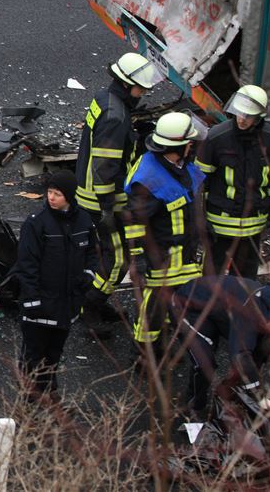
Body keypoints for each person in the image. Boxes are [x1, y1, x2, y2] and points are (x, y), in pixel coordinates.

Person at [76, 52, 162, 336]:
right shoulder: (116, 116)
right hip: (102, 199)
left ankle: (96, 302)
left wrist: (133, 136)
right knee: (118, 260)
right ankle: (91, 307)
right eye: (141, 88)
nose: (143, 93)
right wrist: (109, 208)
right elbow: (105, 166)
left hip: (89, 190)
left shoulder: (104, 99)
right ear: (126, 84)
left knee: (107, 255)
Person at [123, 111, 207, 359]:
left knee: (178, 304)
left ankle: (165, 346)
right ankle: (144, 356)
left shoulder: (180, 166)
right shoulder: (148, 180)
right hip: (161, 257)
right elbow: (134, 222)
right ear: (177, 146)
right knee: (153, 311)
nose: (192, 146)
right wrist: (138, 259)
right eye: (189, 142)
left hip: (184, 254)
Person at [11, 170, 97, 402]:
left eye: (57, 194)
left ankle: (48, 391)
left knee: (54, 352)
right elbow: (27, 264)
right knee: (33, 354)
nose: (51, 197)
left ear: (69, 195)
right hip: (40, 305)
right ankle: (30, 398)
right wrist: (32, 300)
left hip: (66, 305)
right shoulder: (36, 223)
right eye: (49, 192)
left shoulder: (84, 221)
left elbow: (92, 253)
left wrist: (88, 276)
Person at [169, 275, 270, 417]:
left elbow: (257, 355)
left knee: (255, 351)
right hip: (186, 306)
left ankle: (229, 391)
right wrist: (258, 394)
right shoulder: (250, 314)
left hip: (216, 308)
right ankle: (193, 406)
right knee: (204, 363)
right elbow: (241, 355)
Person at [194, 85, 270, 279]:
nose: (242, 119)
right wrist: (200, 218)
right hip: (219, 224)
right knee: (212, 279)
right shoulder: (217, 137)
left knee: (246, 281)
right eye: (239, 112)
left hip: (254, 224)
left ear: (259, 116)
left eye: (248, 115)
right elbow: (199, 181)